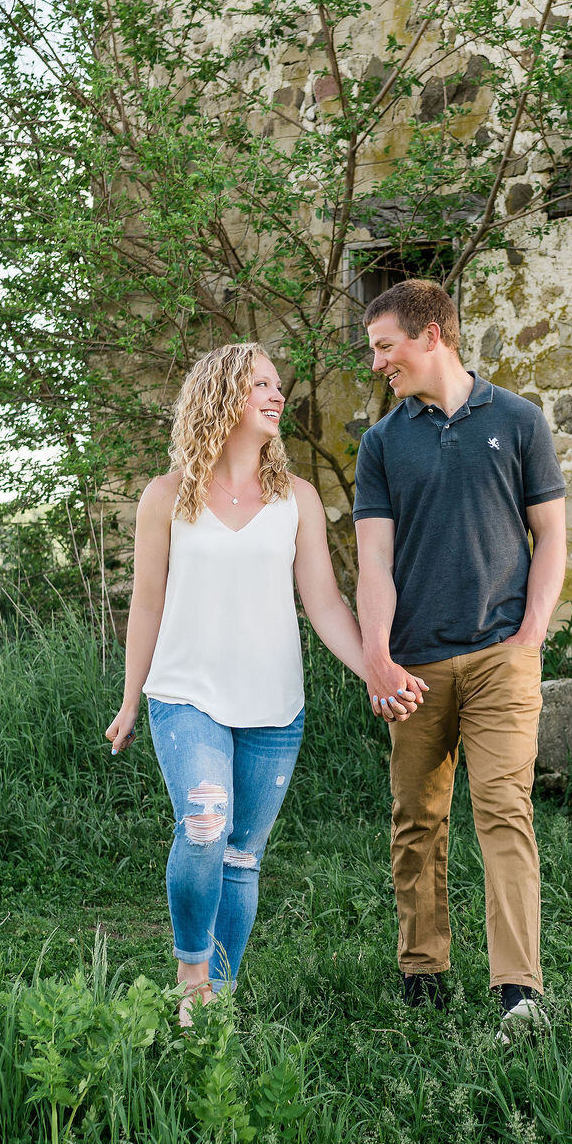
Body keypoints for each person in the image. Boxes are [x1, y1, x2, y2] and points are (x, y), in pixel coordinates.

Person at [108, 343, 400, 1022]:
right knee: (205, 824)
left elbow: (324, 603)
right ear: (221, 397)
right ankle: (190, 980)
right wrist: (129, 700)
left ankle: (218, 999)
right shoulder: (167, 495)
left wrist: (375, 672)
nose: (275, 395)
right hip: (185, 694)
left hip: (274, 703)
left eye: (276, 384)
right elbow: (145, 603)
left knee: (240, 856)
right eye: (258, 384)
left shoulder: (295, 498)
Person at [354, 279, 567, 1039]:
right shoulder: (381, 444)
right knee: (417, 818)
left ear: (432, 334)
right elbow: (373, 561)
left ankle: (519, 992)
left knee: (505, 812)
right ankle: (423, 973)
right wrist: (376, 655)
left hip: (500, 658)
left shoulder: (517, 421)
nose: (379, 361)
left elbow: (552, 537)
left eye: (386, 346)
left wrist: (531, 633)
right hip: (413, 666)